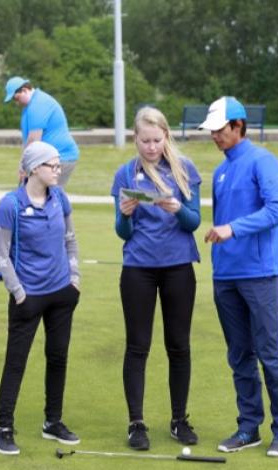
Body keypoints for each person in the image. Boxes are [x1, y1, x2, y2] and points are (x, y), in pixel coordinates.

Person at [200, 96, 278, 457]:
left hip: (260, 275)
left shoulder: (263, 161)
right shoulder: (220, 171)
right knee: (239, 355)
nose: (214, 136)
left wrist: (233, 229)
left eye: (219, 129)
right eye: (211, 131)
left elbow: (277, 209)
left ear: (238, 126)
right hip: (226, 275)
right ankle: (248, 427)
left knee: (268, 354)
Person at [110, 107, 202, 451]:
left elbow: (194, 222)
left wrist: (178, 209)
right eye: (145, 141)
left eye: (156, 140)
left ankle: (179, 420)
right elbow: (123, 232)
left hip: (178, 265)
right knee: (137, 346)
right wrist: (124, 215)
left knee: (178, 345)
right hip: (138, 268)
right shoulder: (125, 174)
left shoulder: (184, 170)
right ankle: (136, 423)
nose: (151, 147)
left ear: (166, 137)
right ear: (135, 139)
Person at [0, 141, 82, 456]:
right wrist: (19, 293)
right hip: (28, 297)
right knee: (16, 362)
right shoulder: (10, 205)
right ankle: (4, 428)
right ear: (34, 168)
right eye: (52, 166)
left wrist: (74, 279)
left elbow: (71, 240)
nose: (58, 171)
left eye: (59, 165)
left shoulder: (60, 198)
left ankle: (52, 421)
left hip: (61, 293)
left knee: (58, 357)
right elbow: (2, 256)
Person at [3, 76, 79, 188]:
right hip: (47, 158)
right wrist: (23, 165)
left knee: (50, 194)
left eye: (16, 98)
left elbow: (34, 140)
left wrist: (24, 167)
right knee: (33, 192)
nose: (17, 103)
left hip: (61, 157)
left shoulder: (38, 104)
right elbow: (28, 140)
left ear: (24, 90)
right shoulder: (30, 106)